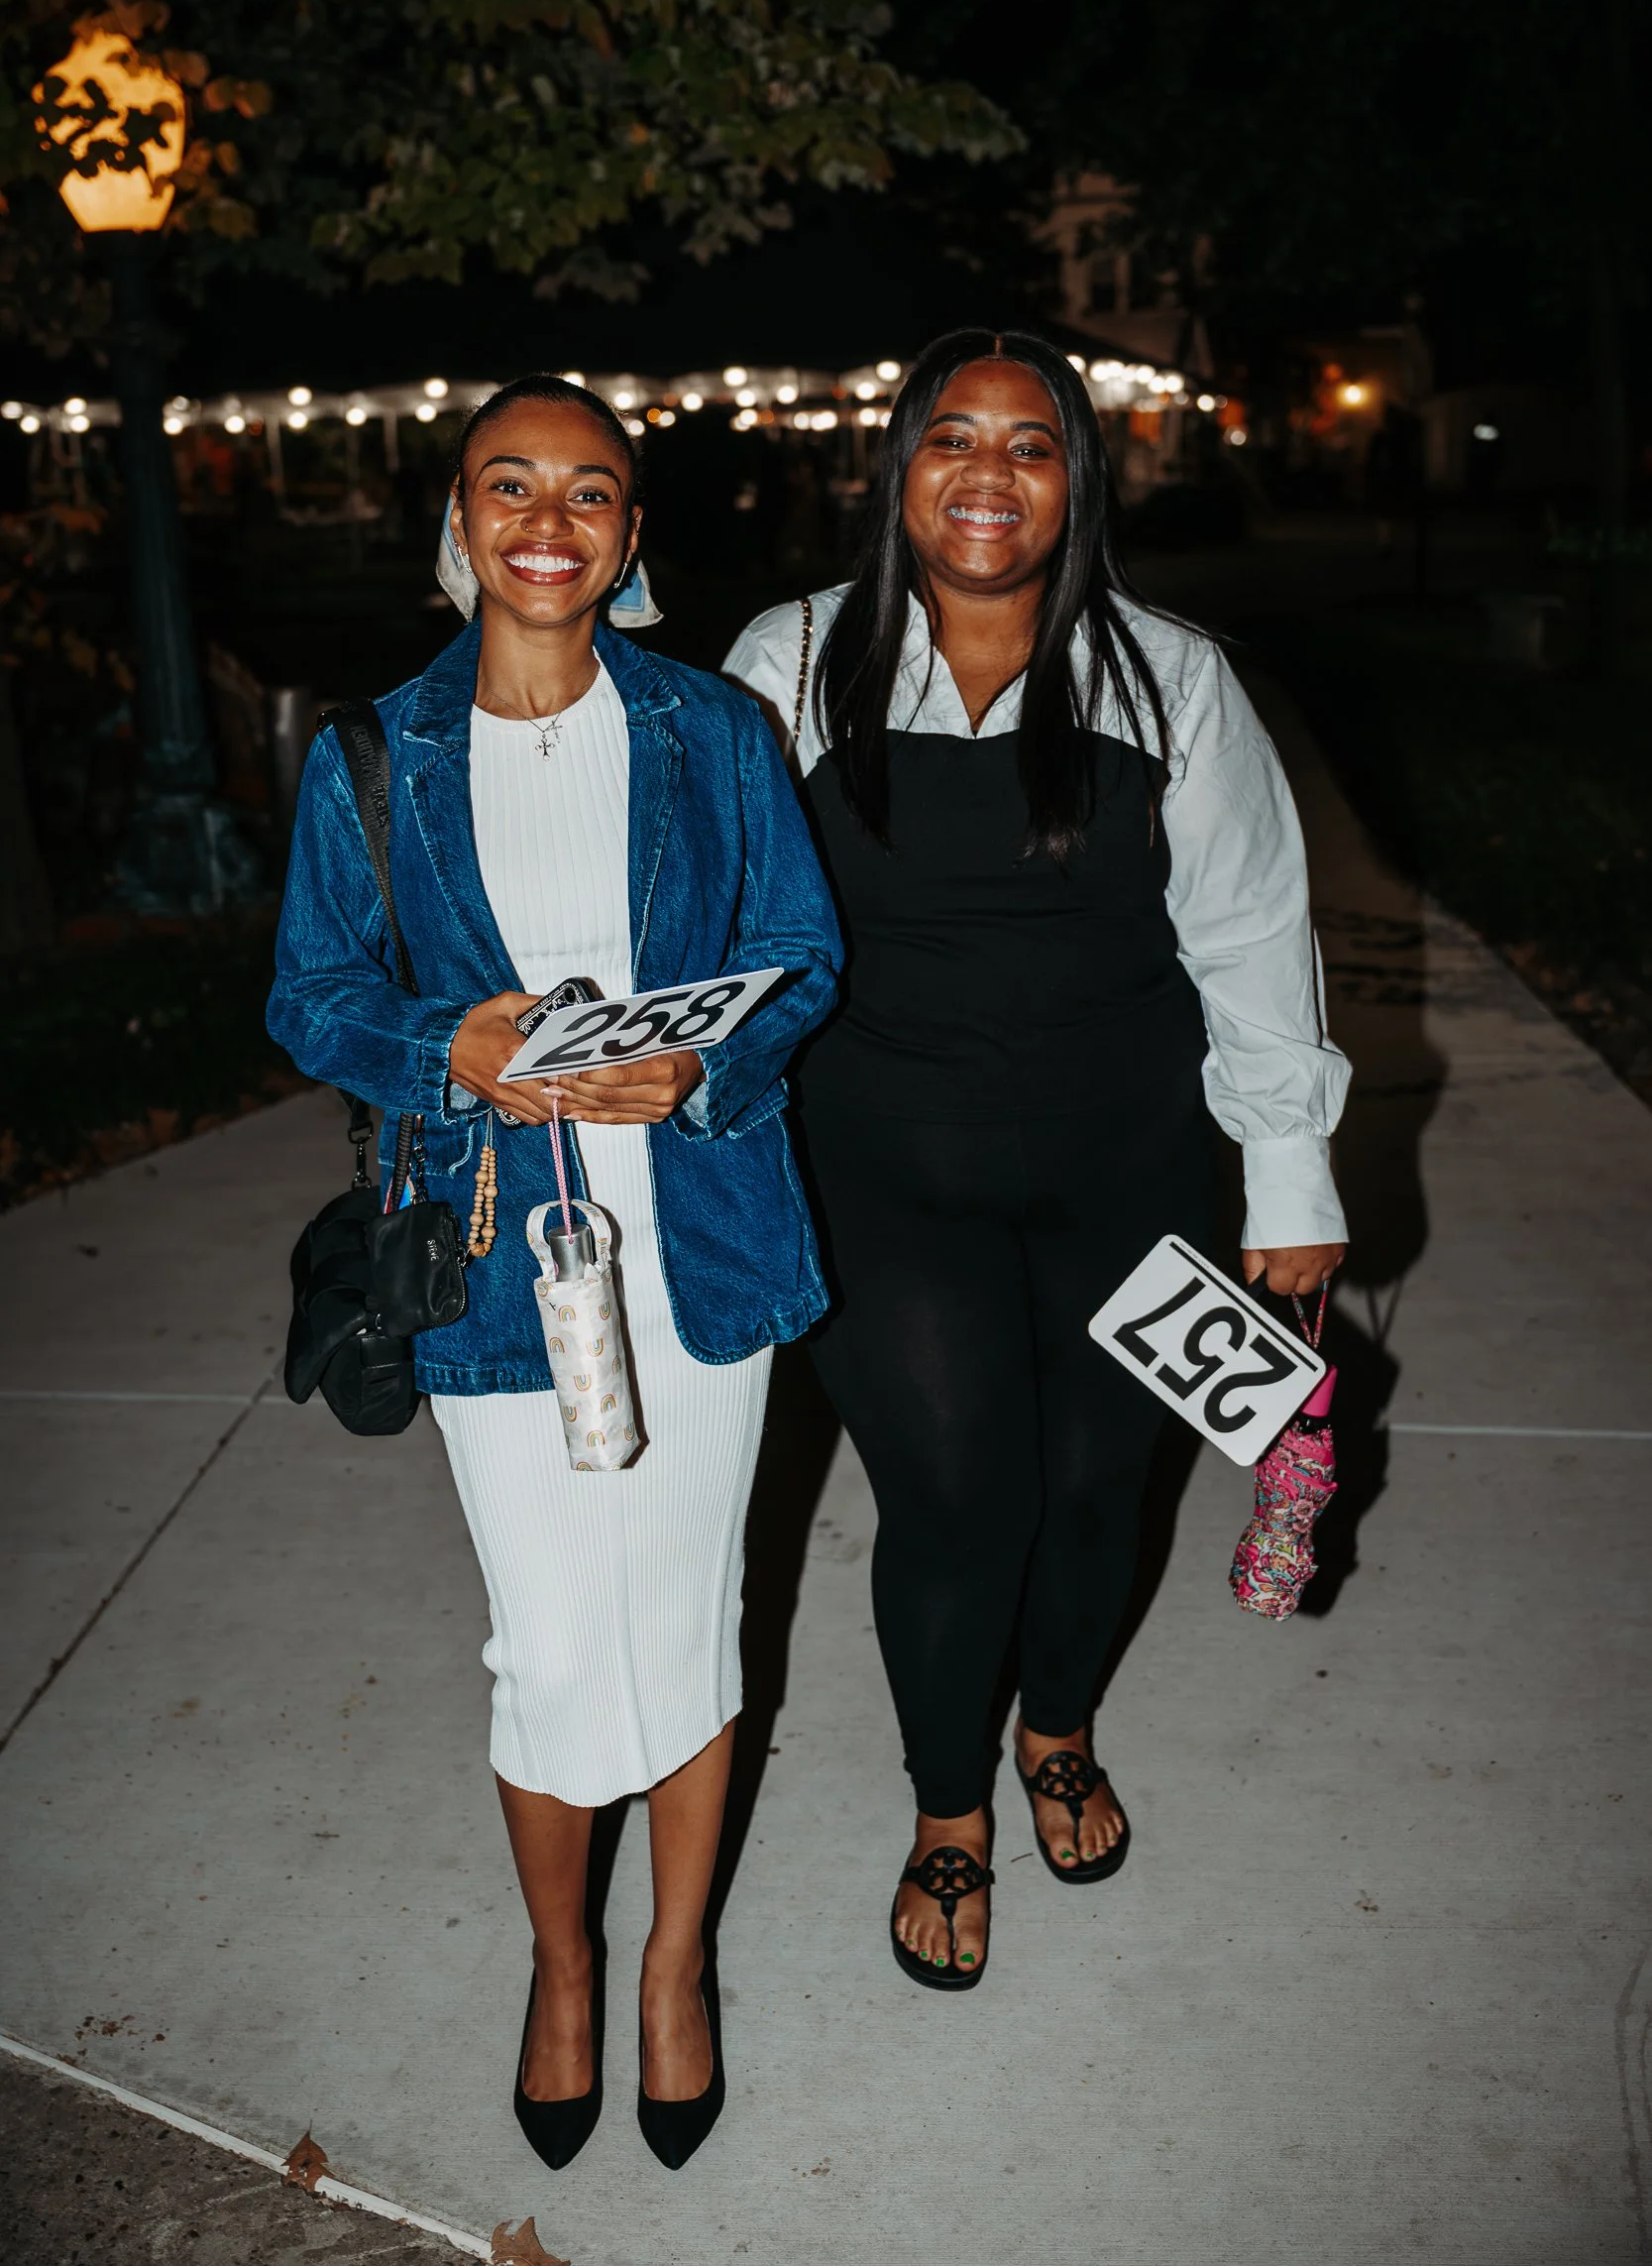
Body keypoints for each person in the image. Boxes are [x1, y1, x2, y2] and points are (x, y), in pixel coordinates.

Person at [724, 330, 1349, 1989]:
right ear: (896, 467)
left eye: (1030, 444)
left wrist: (1288, 1186)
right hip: (878, 1160)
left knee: (1095, 1491)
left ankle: (1055, 1729)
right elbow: (697, 895)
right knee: (954, 1495)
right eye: (950, 438)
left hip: (1126, 1160)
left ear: (1078, 479)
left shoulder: (1167, 676)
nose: (986, 476)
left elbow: (1250, 936)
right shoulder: (788, 662)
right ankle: (948, 1812)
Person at [270, 375, 840, 2167]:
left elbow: (799, 957)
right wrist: (452, 1046)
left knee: (687, 1621)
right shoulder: (373, 750)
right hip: (492, 1250)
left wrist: (703, 1064)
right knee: (545, 1644)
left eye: (588, 492)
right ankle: (563, 1970)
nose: (547, 518)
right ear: (456, 519)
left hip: (702, 1233)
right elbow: (309, 992)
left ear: (630, 536)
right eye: (508, 484)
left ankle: (674, 1970)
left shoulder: (712, 730)